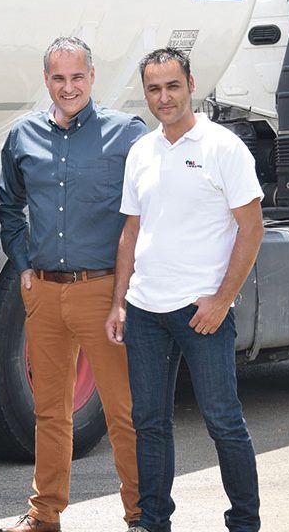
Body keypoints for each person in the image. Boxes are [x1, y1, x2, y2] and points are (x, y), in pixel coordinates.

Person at [105, 48, 263, 532]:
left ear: (190, 83)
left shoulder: (223, 147)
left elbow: (251, 228)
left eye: (172, 86)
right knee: (150, 424)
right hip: (145, 310)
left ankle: (244, 523)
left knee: (223, 422)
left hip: (201, 312)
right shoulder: (141, 151)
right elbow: (131, 231)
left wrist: (221, 300)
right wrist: (119, 301)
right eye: (154, 88)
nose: (163, 97)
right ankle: (153, 522)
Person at [0, 36, 148, 532]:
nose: (68, 87)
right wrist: (21, 265)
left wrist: (126, 293)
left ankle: (141, 515)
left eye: (77, 77)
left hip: (103, 294)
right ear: (46, 80)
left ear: (92, 77)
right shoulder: (22, 137)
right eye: (58, 78)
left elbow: (146, 214)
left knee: (123, 414)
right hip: (42, 292)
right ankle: (44, 515)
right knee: (50, 413)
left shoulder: (126, 135)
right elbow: (8, 206)